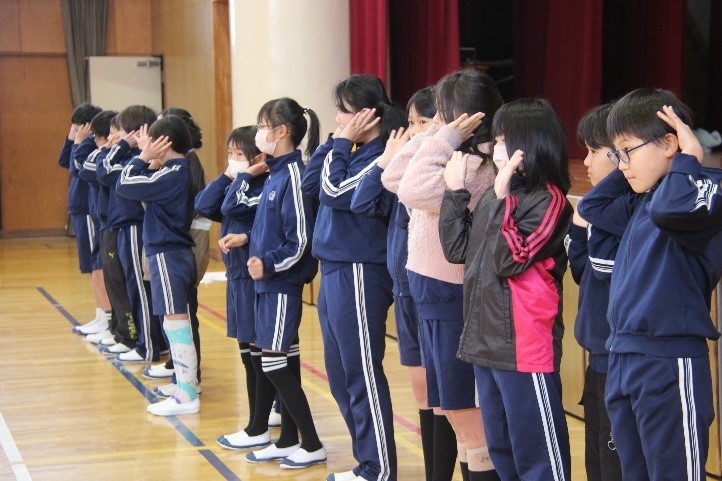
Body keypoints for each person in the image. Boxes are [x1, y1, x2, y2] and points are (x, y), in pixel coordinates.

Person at [577, 89, 722, 481]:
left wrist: (689, 159)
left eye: (627, 150)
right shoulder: (643, 198)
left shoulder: (703, 189)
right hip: (625, 354)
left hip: (668, 358)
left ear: (671, 143)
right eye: (616, 154)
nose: (621, 165)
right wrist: (629, 161)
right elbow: (593, 207)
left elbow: (671, 211)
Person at [439, 98, 573, 481]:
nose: (496, 148)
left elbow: (510, 259)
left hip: (524, 347)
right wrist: (455, 193)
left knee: (537, 456)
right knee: (502, 449)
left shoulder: (550, 201)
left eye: (503, 139)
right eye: (496, 140)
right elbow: (458, 250)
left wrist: (500, 201)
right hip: (484, 342)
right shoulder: (498, 197)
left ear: (529, 143)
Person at [383, 69, 501, 481]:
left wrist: (442, 140)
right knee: (451, 410)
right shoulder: (450, 154)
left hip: (452, 295)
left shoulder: (479, 164)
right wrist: (436, 135)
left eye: (443, 113)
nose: (437, 122)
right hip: (429, 291)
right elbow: (391, 175)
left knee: (466, 416)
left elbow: (411, 189)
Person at [302, 74, 406, 481]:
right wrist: (336, 142)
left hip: (361, 271)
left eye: (343, 112)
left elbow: (333, 190)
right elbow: (312, 183)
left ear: (366, 115)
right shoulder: (351, 151)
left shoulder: (382, 155)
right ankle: (367, 462)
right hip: (333, 268)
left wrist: (342, 144)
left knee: (361, 372)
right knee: (341, 375)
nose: (337, 119)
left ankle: (378, 469)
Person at [350, 87, 440, 481]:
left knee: (446, 400)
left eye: (424, 121)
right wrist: (390, 157)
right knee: (423, 396)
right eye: (412, 122)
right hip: (404, 291)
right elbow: (362, 200)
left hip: (435, 293)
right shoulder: (404, 167)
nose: (415, 130)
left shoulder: (439, 171)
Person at [116, 116, 199, 416]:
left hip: (168, 253)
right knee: (171, 320)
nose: (147, 144)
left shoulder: (174, 173)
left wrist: (141, 158)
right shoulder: (173, 171)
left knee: (176, 321)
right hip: (170, 252)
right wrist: (150, 161)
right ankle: (184, 386)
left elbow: (124, 184)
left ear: (165, 143)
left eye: (151, 140)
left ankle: (187, 393)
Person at [195, 126, 270, 434]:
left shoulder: (259, 186)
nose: (234, 159)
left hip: (253, 274)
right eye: (230, 153)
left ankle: (263, 417)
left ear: (258, 158)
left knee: (258, 350)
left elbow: (232, 208)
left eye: (239, 154)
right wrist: (228, 175)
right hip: (236, 275)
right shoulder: (237, 183)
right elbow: (203, 205)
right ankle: (263, 412)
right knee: (246, 351)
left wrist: (243, 177)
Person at [565, 103, 623, 481]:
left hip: (619, 359)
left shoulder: (620, 211)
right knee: (597, 461)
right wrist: (580, 222)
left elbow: (600, 267)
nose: (585, 162)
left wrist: (589, 211)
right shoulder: (598, 209)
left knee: (613, 462)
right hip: (597, 357)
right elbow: (580, 269)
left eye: (593, 151)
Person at [147, 108, 208, 398]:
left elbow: (126, 186)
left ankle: (188, 385)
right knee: (177, 314)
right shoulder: (179, 166)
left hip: (183, 246)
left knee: (182, 315)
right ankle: (182, 376)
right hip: (180, 245)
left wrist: (142, 160)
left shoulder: (182, 168)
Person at [97, 105, 162, 363]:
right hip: (124, 229)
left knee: (140, 289)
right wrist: (123, 146)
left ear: (136, 132)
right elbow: (103, 169)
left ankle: (147, 346)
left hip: (135, 227)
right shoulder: (131, 157)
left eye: (123, 132)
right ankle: (148, 341)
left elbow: (104, 171)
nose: (119, 137)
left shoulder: (138, 160)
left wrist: (124, 146)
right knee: (134, 288)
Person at [79, 111, 136, 355]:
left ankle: (129, 333)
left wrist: (115, 148)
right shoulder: (115, 154)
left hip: (118, 225)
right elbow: (85, 168)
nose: (114, 138)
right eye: (113, 133)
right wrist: (109, 148)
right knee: (113, 280)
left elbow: (98, 172)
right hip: (108, 223)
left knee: (121, 282)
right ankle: (119, 331)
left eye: (118, 132)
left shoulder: (128, 158)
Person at [58, 102, 108, 335]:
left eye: (78, 126)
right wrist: (71, 139)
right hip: (79, 209)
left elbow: (76, 168)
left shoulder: (92, 145)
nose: (75, 130)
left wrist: (79, 142)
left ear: (89, 127)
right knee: (90, 267)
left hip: (88, 209)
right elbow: (63, 160)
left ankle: (105, 318)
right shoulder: (81, 143)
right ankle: (100, 316)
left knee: (96, 265)